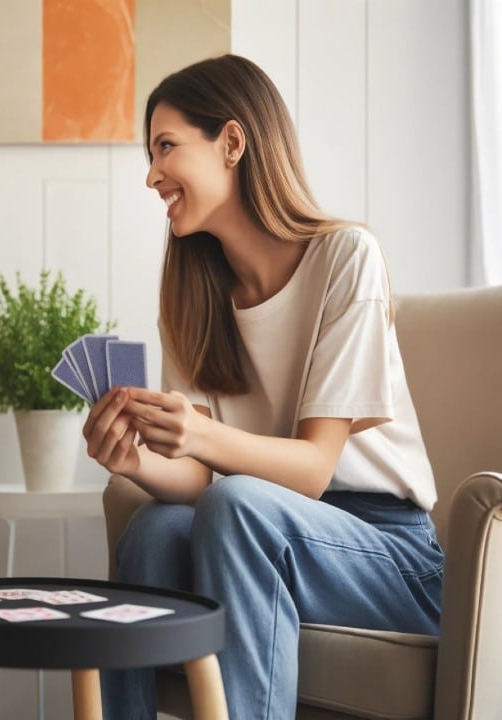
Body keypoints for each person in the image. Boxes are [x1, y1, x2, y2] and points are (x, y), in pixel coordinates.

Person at [85, 54, 443, 719]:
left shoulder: (345, 257)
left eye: (166, 146)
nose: (151, 173)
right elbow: (198, 479)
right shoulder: (193, 297)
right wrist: (135, 459)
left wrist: (201, 434)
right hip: (251, 526)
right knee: (153, 530)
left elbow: (312, 471)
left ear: (231, 142)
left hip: (389, 558)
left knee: (238, 507)